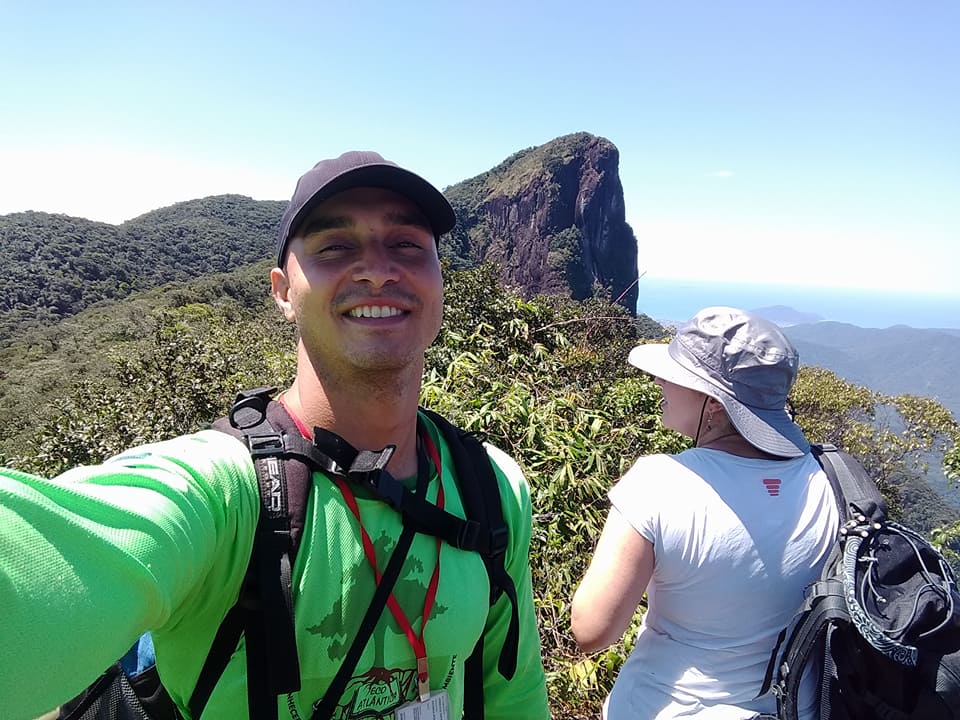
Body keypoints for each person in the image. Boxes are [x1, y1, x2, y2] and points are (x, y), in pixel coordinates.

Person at [0, 151, 550, 720]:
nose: (378, 269)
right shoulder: (224, 494)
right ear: (283, 291)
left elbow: (514, 696)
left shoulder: (492, 488)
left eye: (407, 244)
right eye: (335, 247)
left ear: (440, 279)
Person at [571, 306, 839, 720]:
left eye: (676, 376)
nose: (659, 380)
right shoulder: (829, 482)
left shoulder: (660, 483)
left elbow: (591, 630)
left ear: (713, 403)